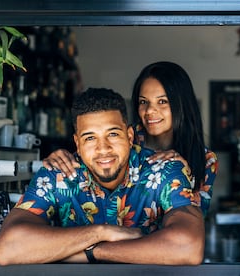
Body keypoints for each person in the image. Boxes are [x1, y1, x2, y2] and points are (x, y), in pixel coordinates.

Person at [0, 88, 204, 265]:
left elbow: (188, 247)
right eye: (90, 138)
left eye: (113, 134)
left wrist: (92, 251)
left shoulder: (164, 170)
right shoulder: (59, 175)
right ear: (77, 143)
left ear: (130, 136)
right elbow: (9, 248)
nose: (103, 148)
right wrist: (101, 233)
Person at [43, 61, 218, 216]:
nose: (150, 111)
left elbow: (195, 220)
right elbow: (89, 159)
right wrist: (62, 158)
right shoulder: (122, 138)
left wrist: (181, 172)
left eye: (162, 102)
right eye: (143, 102)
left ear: (182, 103)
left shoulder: (205, 160)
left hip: (164, 248)